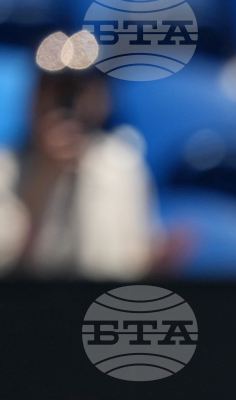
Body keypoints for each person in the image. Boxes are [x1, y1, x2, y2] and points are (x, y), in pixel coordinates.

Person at [0, 68, 190, 280]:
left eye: (79, 89)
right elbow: (8, 261)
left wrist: (158, 260)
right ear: (35, 97)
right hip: (30, 305)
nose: (68, 102)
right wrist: (45, 175)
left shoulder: (123, 164)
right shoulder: (6, 168)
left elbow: (134, 260)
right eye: (57, 88)